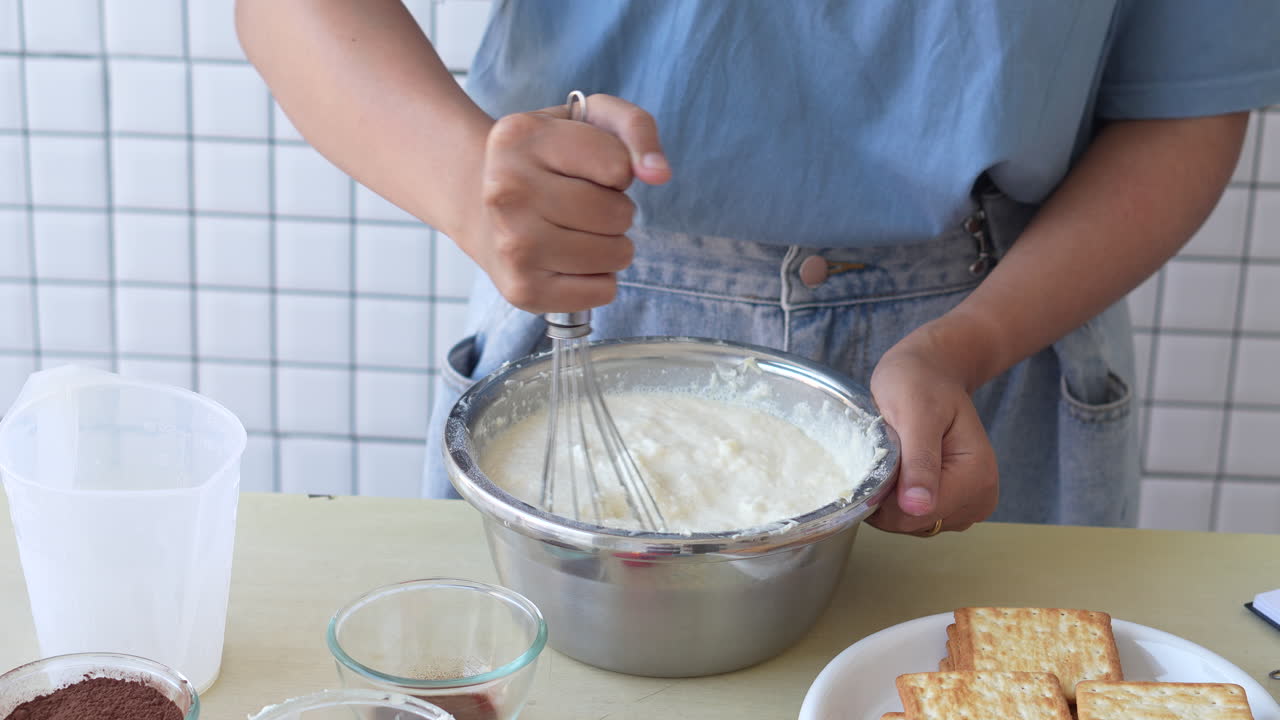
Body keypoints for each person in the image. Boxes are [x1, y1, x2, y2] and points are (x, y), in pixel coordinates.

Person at [236, 1, 1280, 535]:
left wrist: (969, 343)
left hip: (992, 359)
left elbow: (1182, 103)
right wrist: (470, 184)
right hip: (599, 311)